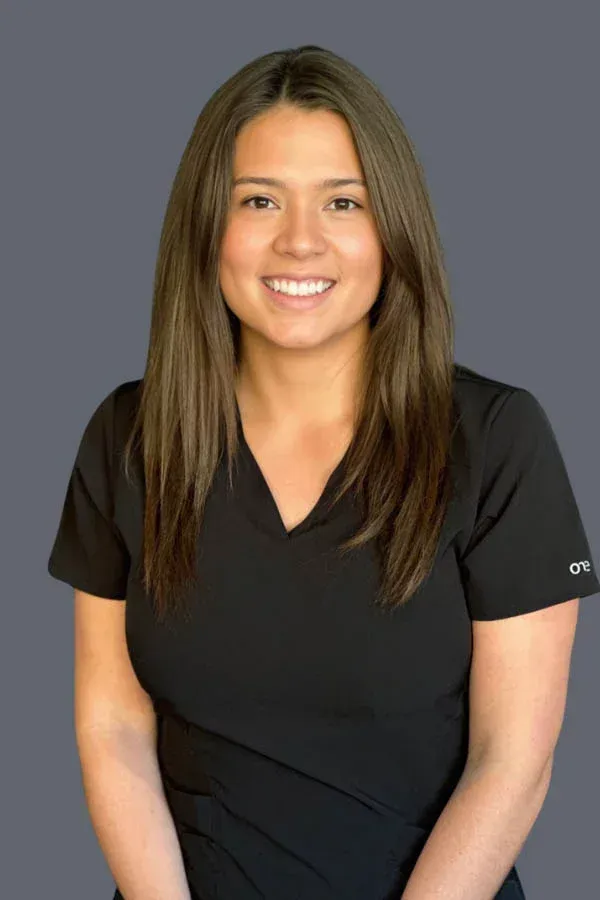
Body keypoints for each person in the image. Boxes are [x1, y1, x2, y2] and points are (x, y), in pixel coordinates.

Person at [47, 45, 599, 900]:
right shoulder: (129, 436)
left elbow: (513, 761)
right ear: (207, 227)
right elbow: (113, 725)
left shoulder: (497, 439)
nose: (300, 240)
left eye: (344, 202)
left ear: (392, 231)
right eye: (259, 200)